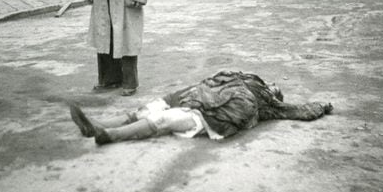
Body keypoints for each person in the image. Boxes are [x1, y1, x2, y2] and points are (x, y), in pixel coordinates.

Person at [69, 70, 333, 145]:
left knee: (164, 119)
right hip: (193, 98)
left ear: (275, 96)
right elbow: (209, 82)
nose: (273, 86)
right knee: (148, 108)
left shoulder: (265, 104)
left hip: (206, 117)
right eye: (273, 85)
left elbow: (299, 110)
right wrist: (186, 94)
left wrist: (322, 105)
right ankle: (97, 125)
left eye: (276, 90)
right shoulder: (243, 78)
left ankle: (108, 135)